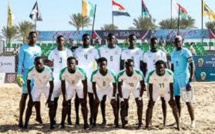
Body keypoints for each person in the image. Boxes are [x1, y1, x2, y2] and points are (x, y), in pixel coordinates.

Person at [145, 60, 180, 130]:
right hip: (156, 89)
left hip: (166, 89)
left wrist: (171, 97)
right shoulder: (151, 74)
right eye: (158, 68)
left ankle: (178, 125)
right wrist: (151, 97)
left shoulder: (170, 73)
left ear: (164, 67)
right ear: (155, 68)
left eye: (162, 68)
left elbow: (171, 86)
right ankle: (146, 125)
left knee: (173, 104)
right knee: (150, 105)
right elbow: (150, 86)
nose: (160, 69)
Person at [17, 31, 42, 128]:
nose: (33, 38)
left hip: (36, 74)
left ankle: (38, 116)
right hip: (27, 74)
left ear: (36, 38)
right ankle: (20, 118)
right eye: (31, 37)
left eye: (34, 37)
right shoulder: (23, 48)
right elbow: (20, 63)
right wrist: (19, 75)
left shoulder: (38, 48)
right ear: (29, 38)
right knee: (24, 96)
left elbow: (39, 62)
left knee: (37, 96)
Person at [74, 33, 99, 125]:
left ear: (90, 40)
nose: (86, 40)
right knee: (78, 98)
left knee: (91, 98)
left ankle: (91, 117)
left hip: (91, 77)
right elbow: (74, 62)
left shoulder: (94, 50)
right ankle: (77, 117)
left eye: (87, 39)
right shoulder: (77, 50)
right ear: (82, 40)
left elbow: (98, 61)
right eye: (84, 39)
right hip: (80, 77)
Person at [48, 35, 73, 125]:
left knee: (68, 99)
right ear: (56, 41)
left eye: (62, 40)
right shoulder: (53, 52)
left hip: (66, 78)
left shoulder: (68, 51)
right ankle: (53, 118)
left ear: (64, 41)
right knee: (55, 99)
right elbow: (49, 61)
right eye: (59, 40)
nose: (60, 42)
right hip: (56, 78)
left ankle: (69, 118)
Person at [143, 37, 168, 126]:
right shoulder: (146, 54)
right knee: (151, 101)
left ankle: (164, 121)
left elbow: (166, 66)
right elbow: (143, 67)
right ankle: (149, 120)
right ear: (150, 43)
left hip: (161, 80)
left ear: (157, 43)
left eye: (155, 43)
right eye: (152, 42)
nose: (154, 44)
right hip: (150, 80)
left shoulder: (162, 53)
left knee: (163, 100)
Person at [170, 35, 195, 128]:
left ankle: (193, 121)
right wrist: (171, 78)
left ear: (182, 41)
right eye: (176, 41)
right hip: (176, 79)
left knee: (188, 101)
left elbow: (192, 64)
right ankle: (178, 119)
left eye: (179, 41)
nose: (177, 43)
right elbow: (172, 66)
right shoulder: (173, 53)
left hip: (184, 79)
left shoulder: (186, 51)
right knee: (177, 101)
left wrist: (191, 79)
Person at [24, 57, 55, 129]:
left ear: (43, 63)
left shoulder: (48, 70)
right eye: (37, 64)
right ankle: (25, 124)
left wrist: (49, 98)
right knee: (29, 104)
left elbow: (51, 85)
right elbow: (28, 83)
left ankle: (52, 124)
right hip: (37, 86)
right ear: (34, 63)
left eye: (40, 64)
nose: (38, 66)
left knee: (51, 104)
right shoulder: (31, 70)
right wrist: (31, 97)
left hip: (47, 86)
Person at [98, 33, 122, 126]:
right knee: (103, 100)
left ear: (115, 39)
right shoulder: (101, 49)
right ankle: (104, 119)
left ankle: (117, 119)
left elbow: (122, 63)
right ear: (107, 40)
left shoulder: (120, 50)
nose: (111, 40)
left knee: (116, 101)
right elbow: (98, 62)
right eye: (109, 39)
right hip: (104, 78)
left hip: (115, 78)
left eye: (113, 39)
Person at [60, 57, 89, 129]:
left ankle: (86, 123)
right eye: (69, 63)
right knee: (65, 103)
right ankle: (62, 123)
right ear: (66, 63)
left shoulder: (81, 71)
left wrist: (85, 98)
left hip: (79, 85)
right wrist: (64, 97)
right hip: (69, 85)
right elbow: (63, 85)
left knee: (83, 104)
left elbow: (85, 85)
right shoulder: (63, 71)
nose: (70, 65)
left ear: (76, 64)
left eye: (72, 63)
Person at [120, 34, 143, 124]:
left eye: (134, 39)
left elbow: (142, 66)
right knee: (125, 101)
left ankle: (140, 121)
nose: (132, 41)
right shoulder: (124, 51)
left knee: (138, 101)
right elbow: (122, 65)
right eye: (130, 39)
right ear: (128, 40)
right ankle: (125, 119)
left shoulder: (140, 51)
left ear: (136, 40)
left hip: (136, 80)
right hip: (126, 79)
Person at [118, 59, 146, 129]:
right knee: (123, 104)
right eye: (127, 65)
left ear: (133, 66)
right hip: (126, 88)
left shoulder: (139, 73)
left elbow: (142, 85)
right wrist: (121, 98)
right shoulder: (121, 74)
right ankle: (123, 124)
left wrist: (140, 96)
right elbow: (119, 86)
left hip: (135, 87)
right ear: (125, 66)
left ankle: (140, 123)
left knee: (139, 104)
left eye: (131, 66)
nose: (129, 67)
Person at [91, 57, 118, 127]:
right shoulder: (94, 73)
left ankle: (116, 121)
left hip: (109, 88)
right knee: (95, 104)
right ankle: (94, 122)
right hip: (100, 88)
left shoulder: (111, 73)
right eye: (101, 65)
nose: (102, 66)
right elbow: (93, 86)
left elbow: (115, 85)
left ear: (106, 65)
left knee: (114, 104)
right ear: (98, 65)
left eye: (104, 65)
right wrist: (96, 97)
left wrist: (112, 97)